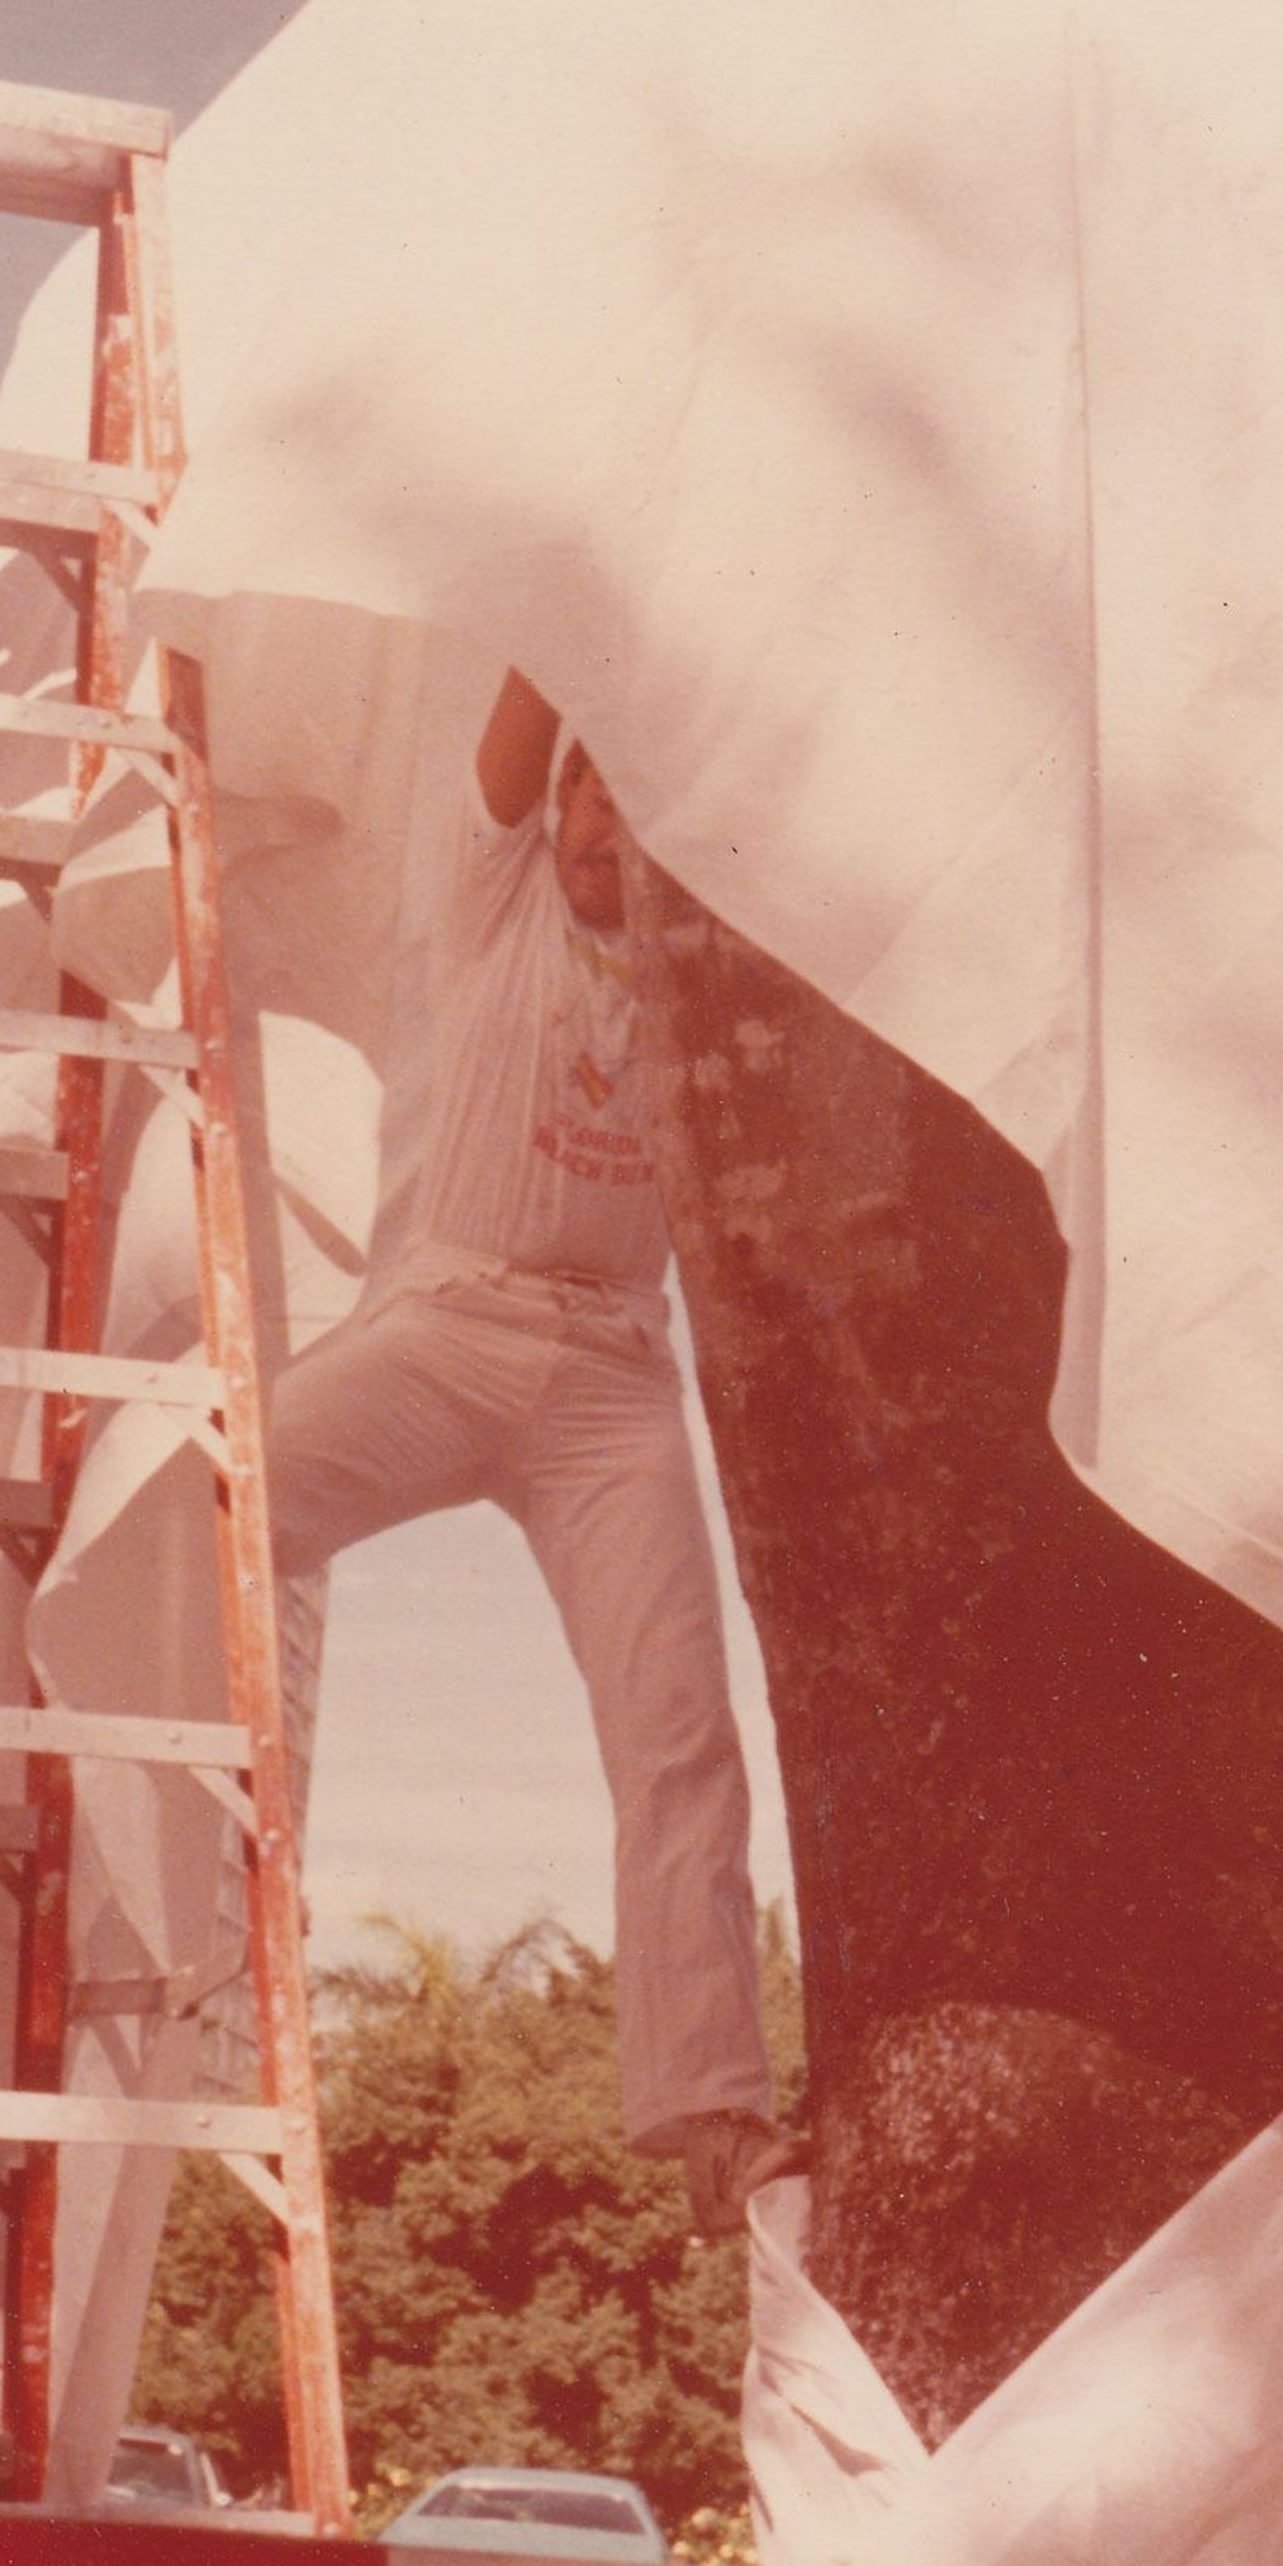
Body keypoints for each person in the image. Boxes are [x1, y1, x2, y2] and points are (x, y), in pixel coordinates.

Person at [270, 670, 806, 2237]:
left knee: (680, 1735)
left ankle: (712, 2118)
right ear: (552, 809)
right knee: (211, 1509)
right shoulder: (493, 896)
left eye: (633, 817)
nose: (600, 835)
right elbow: (527, 701)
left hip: (613, 1381)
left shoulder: (702, 975)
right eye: (585, 799)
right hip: (456, 1325)